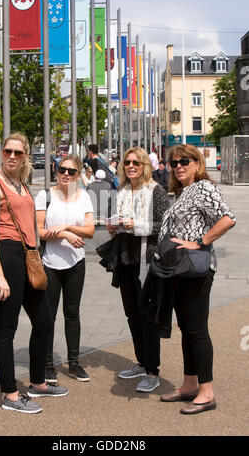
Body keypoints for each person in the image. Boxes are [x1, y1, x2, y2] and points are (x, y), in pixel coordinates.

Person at [0, 133, 68, 414]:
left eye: (18, 152)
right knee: (7, 329)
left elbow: (31, 225)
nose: (12, 157)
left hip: (29, 256)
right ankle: (9, 394)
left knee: (44, 321)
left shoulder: (22, 185)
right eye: (8, 151)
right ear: (1, 153)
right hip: (6, 256)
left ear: (26, 155)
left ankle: (38, 382)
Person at [157, 144, 236, 414]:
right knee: (187, 328)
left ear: (197, 163)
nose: (179, 166)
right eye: (174, 163)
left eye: (185, 161)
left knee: (197, 330)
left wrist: (199, 242)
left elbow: (227, 219)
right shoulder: (182, 192)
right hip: (180, 270)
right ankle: (190, 384)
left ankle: (207, 391)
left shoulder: (203, 187)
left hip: (197, 269)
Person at [105, 147, 169, 392]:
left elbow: (163, 226)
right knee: (132, 313)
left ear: (145, 165)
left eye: (136, 163)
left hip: (147, 259)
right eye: (127, 162)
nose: (131, 166)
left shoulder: (156, 191)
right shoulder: (120, 190)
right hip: (124, 258)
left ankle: (153, 371)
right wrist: (114, 226)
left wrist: (135, 223)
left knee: (147, 315)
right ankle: (141, 362)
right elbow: (117, 220)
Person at [35, 155, 95, 383]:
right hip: (50, 262)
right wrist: (66, 234)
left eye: (71, 171)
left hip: (76, 262)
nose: (66, 174)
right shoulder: (45, 196)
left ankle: (74, 363)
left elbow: (89, 231)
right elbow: (39, 231)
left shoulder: (84, 197)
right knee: (48, 315)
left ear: (78, 175)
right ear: (56, 170)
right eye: (62, 169)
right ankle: (48, 364)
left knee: (72, 314)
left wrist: (67, 227)